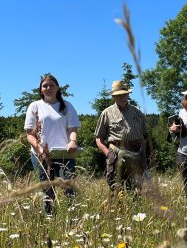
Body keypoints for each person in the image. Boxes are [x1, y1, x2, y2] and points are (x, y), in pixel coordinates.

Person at [24, 74, 81, 215]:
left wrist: (73, 141)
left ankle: (72, 216)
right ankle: (49, 218)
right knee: (47, 189)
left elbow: (73, 129)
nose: (48, 88)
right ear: (41, 89)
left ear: (57, 88)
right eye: (45, 86)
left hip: (64, 153)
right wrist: (38, 148)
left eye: (51, 85)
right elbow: (29, 134)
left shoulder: (67, 106)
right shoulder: (35, 106)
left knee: (69, 187)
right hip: (42, 154)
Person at [95, 81, 149, 194]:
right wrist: (108, 154)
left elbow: (143, 138)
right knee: (115, 188)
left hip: (135, 155)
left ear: (128, 95)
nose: (122, 97)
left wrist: (144, 158)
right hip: (114, 154)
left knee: (135, 191)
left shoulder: (138, 113)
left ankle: (135, 210)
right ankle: (118, 210)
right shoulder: (106, 113)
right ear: (113, 96)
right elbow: (98, 139)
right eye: (118, 95)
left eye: (124, 94)